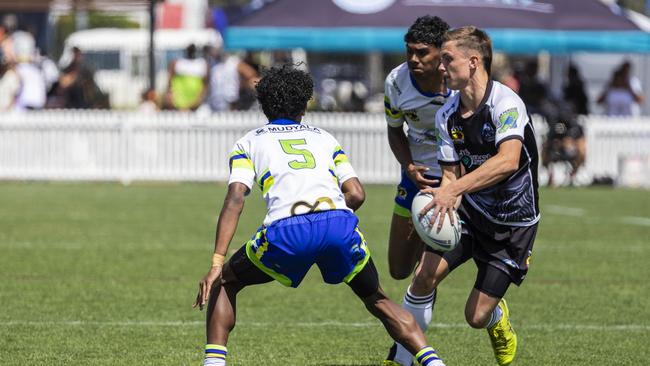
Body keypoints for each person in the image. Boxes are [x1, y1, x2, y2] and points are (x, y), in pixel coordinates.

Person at [193, 64, 446, 366]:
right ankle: (434, 362)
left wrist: (216, 262)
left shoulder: (250, 141)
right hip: (338, 223)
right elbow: (357, 193)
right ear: (304, 104)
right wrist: (326, 221)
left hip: (287, 230)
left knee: (225, 280)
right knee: (377, 300)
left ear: (263, 104)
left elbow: (236, 197)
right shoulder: (323, 137)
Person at [420, 26, 540, 366]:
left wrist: (454, 188)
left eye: (447, 60)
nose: (440, 68)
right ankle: (400, 356)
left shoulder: (505, 103)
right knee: (424, 275)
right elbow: (449, 176)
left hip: (513, 224)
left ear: (473, 62)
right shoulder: (447, 114)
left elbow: (508, 161)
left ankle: (497, 318)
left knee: (475, 316)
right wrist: (437, 204)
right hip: (471, 214)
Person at [382, 16, 453, 366]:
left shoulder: (461, 83)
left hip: (455, 184)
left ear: (442, 53)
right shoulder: (396, 81)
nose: (414, 59)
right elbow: (394, 130)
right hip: (413, 179)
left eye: (423, 53)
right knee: (397, 267)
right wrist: (409, 166)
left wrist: (457, 182)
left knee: (424, 274)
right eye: (410, 51)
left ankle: (403, 356)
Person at [165, 44, 208, 111]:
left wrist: (198, 100)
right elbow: (170, 80)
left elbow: (205, 85)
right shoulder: (177, 63)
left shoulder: (201, 64)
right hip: (178, 103)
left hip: (194, 104)